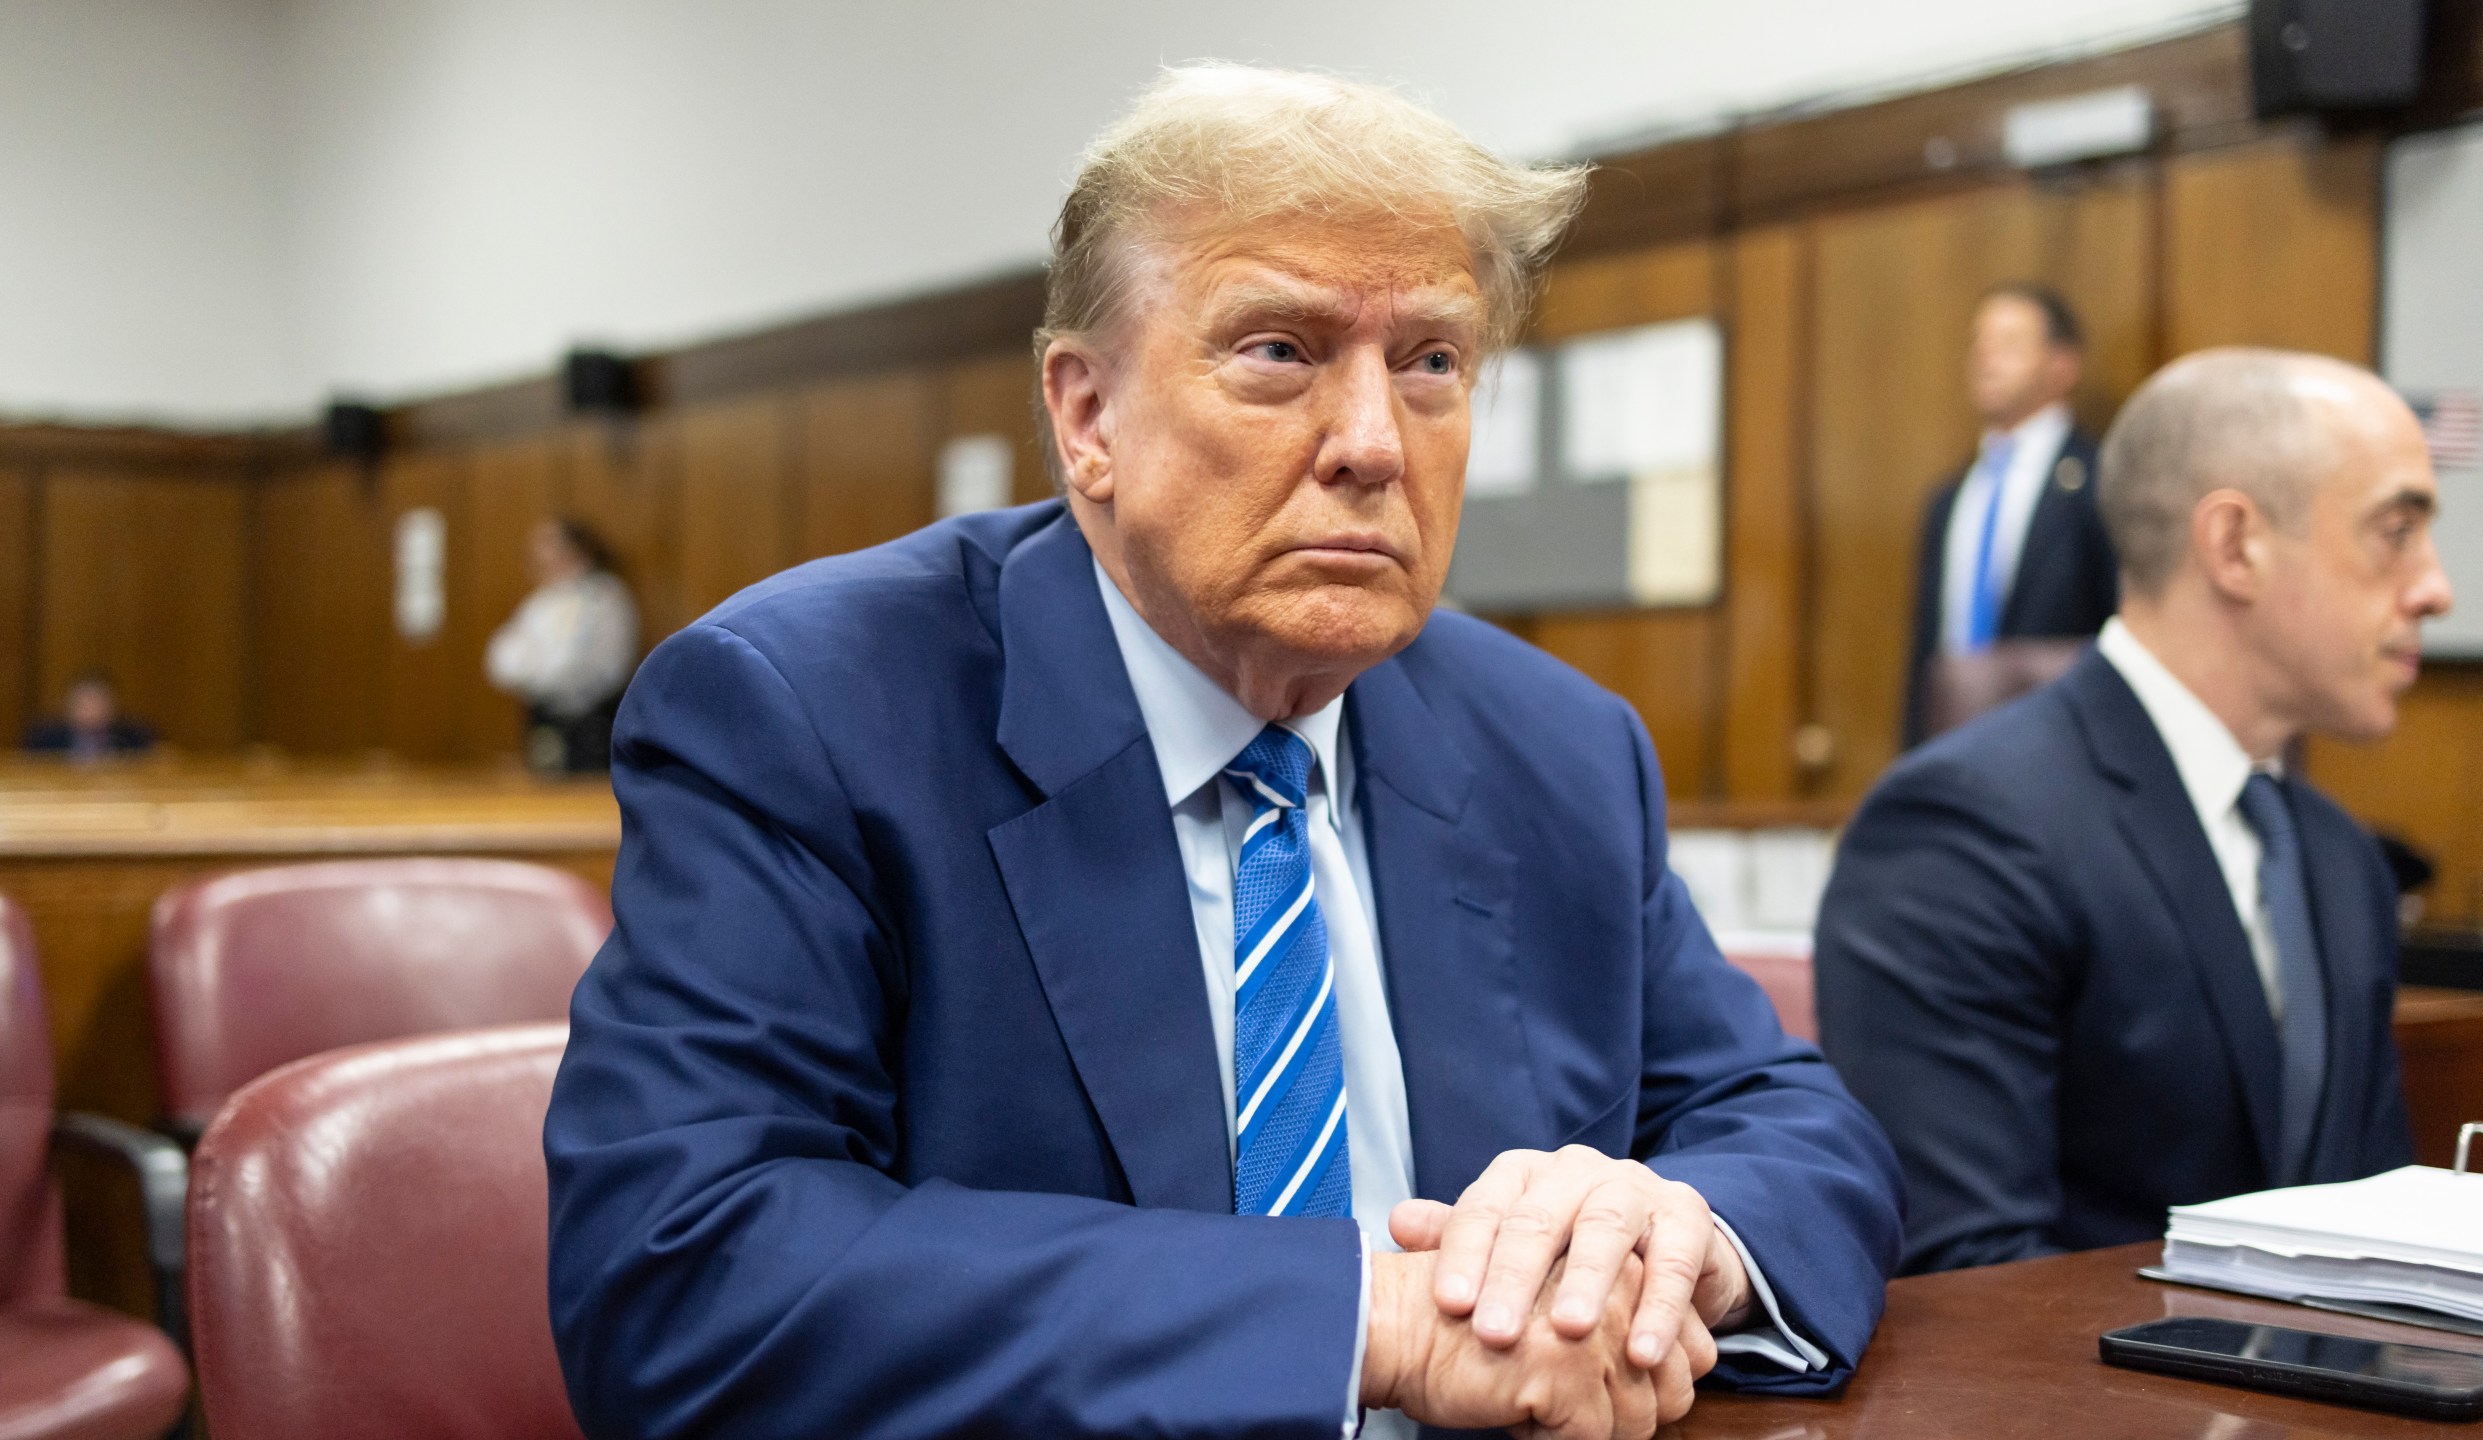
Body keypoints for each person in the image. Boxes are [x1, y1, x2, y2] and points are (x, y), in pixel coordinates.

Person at [546, 65, 1901, 1440]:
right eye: (1279, 352)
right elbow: (690, 1272)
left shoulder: (1552, 743)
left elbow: (1789, 1125)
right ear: (1087, 418)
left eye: (1432, 362)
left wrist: (1681, 1241)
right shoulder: (809, 713)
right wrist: (1362, 1318)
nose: (1375, 443)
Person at [1818, 348, 2453, 1274]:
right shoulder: (1963, 833)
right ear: (2236, 546)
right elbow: (1975, 1279)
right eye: (2395, 531)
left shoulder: (2337, 860)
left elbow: (2371, 1232)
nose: (2436, 587)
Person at [1901, 284, 2118, 747]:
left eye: (2010, 345)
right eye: (1979, 344)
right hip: (1952, 750)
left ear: (2063, 366)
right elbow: (1926, 652)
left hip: (2060, 750)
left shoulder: (2099, 482)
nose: (1986, 358)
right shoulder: (1950, 497)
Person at [483, 518, 638, 773]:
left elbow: (570, 667)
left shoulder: (602, 597)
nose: (539, 556)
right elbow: (500, 659)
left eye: (548, 545)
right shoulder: (541, 602)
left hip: (589, 726)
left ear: (575, 551)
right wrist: (533, 666)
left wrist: (533, 666)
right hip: (543, 720)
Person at [21, 671, 155, 760]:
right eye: (84, 702)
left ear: (113, 706)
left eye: (98, 702)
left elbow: (159, 762)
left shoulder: (134, 734)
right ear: (69, 705)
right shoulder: (45, 736)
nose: (91, 710)